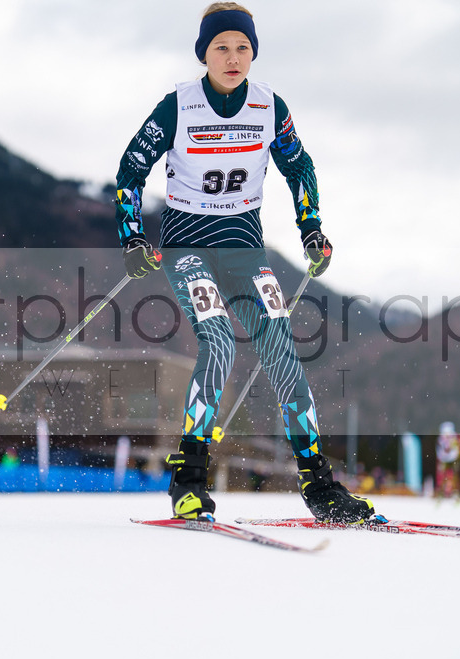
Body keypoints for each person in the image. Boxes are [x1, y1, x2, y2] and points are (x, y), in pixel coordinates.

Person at [115, 2, 375, 523]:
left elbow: (300, 167)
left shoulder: (269, 107)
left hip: (245, 252)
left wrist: (311, 227)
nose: (233, 58)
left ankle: (319, 485)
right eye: (221, 48)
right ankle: (188, 481)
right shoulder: (178, 106)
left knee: (281, 349)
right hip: (188, 248)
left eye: (243, 48)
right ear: (204, 54)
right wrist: (132, 236)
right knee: (218, 343)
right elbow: (131, 168)